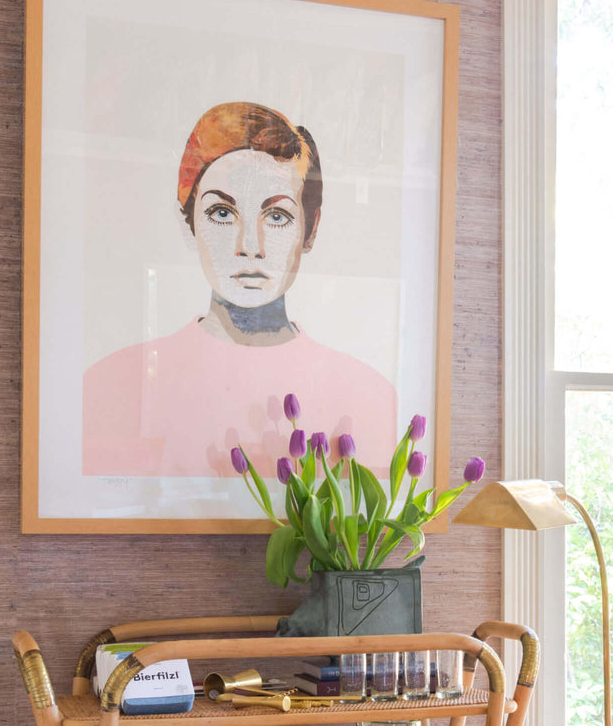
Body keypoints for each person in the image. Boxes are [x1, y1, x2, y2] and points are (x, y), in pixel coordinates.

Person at [82, 101, 399, 478]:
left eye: (277, 216)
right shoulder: (112, 385)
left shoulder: (369, 396)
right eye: (222, 213)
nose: (249, 245)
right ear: (189, 223)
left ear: (310, 229)